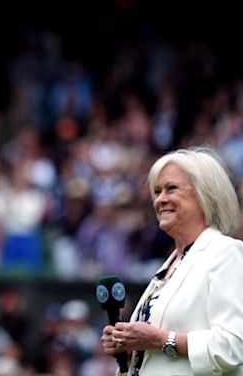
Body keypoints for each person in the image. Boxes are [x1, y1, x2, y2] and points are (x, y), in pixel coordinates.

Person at [101, 146, 243, 375]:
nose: (160, 200)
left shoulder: (225, 253)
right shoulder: (171, 264)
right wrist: (130, 349)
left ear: (204, 194)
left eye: (171, 189)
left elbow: (233, 347)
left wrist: (161, 340)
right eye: (157, 192)